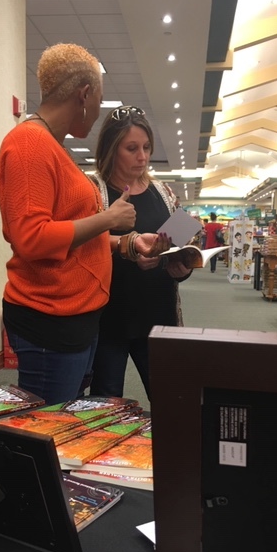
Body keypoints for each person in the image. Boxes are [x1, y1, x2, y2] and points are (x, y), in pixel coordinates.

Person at [0, 45, 168, 405]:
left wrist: (125, 243)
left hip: (77, 318)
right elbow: (32, 238)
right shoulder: (30, 145)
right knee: (51, 430)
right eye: (100, 99)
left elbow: (72, 233)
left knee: (72, 423)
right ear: (85, 94)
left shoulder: (53, 148)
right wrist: (108, 219)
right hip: (51, 321)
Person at [89, 105, 192, 400]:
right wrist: (127, 249)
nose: (142, 157)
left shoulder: (164, 193)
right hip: (109, 319)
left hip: (160, 316)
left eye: (146, 147)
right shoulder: (93, 191)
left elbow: (182, 245)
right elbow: (83, 248)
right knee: (106, 405)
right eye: (131, 148)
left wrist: (181, 268)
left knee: (172, 402)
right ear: (111, 148)